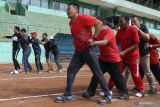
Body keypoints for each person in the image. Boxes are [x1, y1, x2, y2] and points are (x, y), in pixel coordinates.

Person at [55, 3, 111, 104]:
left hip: (89, 50)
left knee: (97, 72)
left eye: (69, 9)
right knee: (71, 71)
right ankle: (68, 94)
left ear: (76, 10)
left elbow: (99, 23)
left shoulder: (83, 18)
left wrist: (94, 38)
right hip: (78, 52)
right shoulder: (71, 22)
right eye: (66, 9)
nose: (67, 11)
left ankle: (107, 94)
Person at [81, 17, 129, 100]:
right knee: (96, 75)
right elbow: (91, 40)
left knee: (117, 77)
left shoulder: (109, 31)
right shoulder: (97, 33)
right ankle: (90, 91)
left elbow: (105, 42)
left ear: (101, 23)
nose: (93, 25)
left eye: (95, 23)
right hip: (103, 59)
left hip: (113, 59)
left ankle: (124, 93)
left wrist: (93, 43)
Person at [108, 16, 144, 97]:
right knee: (116, 72)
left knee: (135, 74)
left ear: (127, 22)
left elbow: (136, 44)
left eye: (121, 22)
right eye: (119, 22)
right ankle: (108, 89)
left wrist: (124, 51)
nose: (119, 23)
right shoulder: (120, 31)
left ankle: (140, 90)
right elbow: (114, 42)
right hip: (123, 57)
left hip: (133, 57)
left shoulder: (133, 30)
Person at [125, 17, 157, 94]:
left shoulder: (143, 27)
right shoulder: (130, 29)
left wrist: (138, 30)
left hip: (144, 54)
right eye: (131, 21)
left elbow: (147, 37)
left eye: (134, 21)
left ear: (140, 22)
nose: (132, 23)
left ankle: (153, 87)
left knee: (147, 72)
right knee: (128, 70)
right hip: (133, 54)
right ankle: (124, 87)